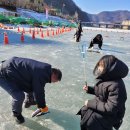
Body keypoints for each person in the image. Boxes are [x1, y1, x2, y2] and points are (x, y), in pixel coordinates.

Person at [0, 56, 62, 124]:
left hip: (11, 69)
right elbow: (39, 91)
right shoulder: (42, 74)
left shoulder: (44, 69)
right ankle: (16, 114)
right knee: (19, 96)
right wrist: (43, 106)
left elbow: (37, 87)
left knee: (32, 85)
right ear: (53, 76)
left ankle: (29, 101)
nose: (52, 83)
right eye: (54, 81)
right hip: (3, 74)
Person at [77, 55, 129, 130]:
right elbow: (103, 92)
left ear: (110, 67)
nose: (99, 68)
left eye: (101, 66)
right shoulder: (108, 78)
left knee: (92, 123)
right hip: (99, 112)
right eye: (99, 65)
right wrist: (90, 89)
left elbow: (111, 108)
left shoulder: (117, 86)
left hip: (106, 118)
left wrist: (90, 103)